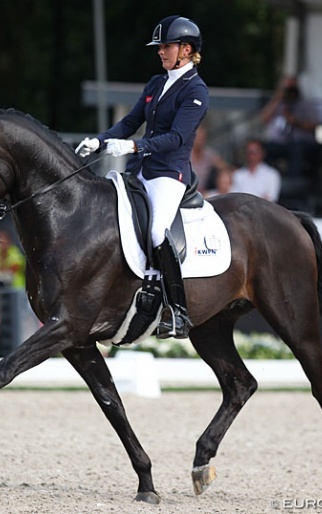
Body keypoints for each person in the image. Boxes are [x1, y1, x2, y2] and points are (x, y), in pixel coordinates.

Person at [75, 15, 208, 339]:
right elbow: (130, 121)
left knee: (157, 232)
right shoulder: (155, 84)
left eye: (166, 46)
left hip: (168, 173)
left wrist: (135, 146)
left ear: (186, 49)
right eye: (160, 47)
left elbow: (177, 138)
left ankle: (176, 311)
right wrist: (101, 140)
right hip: (140, 169)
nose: (160, 52)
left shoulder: (196, 90)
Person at [260, 76, 318, 178]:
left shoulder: (305, 104)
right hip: (279, 142)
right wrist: (277, 99)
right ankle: (268, 178)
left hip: (299, 142)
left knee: (297, 150)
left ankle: (294, 181)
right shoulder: (277, 103)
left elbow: (314, 125)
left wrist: (296, 122)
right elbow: (264, 119)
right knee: (263, 149)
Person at [191, 125, 233, 193]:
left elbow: (224, 166)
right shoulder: (186, 155)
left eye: (202, 138)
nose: (200, 141)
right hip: (187, 191)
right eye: (198, 138)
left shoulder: (208, 154)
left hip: (203, 193)